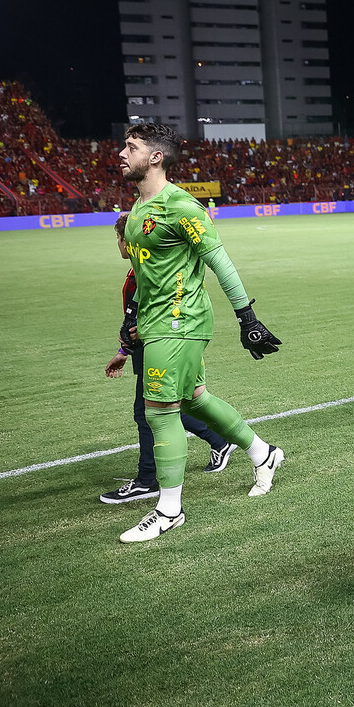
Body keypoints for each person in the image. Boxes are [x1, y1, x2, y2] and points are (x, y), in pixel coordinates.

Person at [115, 122, 284, 543]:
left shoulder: (181, 206)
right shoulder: (138, 208)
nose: (121, 152)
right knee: (195, 399)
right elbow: (143, 273)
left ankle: (169, 510)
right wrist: (131, 321)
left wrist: (248, 319)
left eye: (131, 147)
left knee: (159, 411)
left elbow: (219, 261)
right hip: (156, 324)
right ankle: (264, 455)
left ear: (155, 157)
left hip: (180, 322)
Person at [100, 214, 234, 506]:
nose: (119, 245)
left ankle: (147, 479)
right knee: (171, 403)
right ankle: (219, 441)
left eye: (120, 239)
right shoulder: (142, 269)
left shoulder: (145, 272)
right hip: (155, 342)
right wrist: (124, 351)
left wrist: (131, 345)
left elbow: (144, 316)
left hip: (158, 344)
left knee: (148, 410)